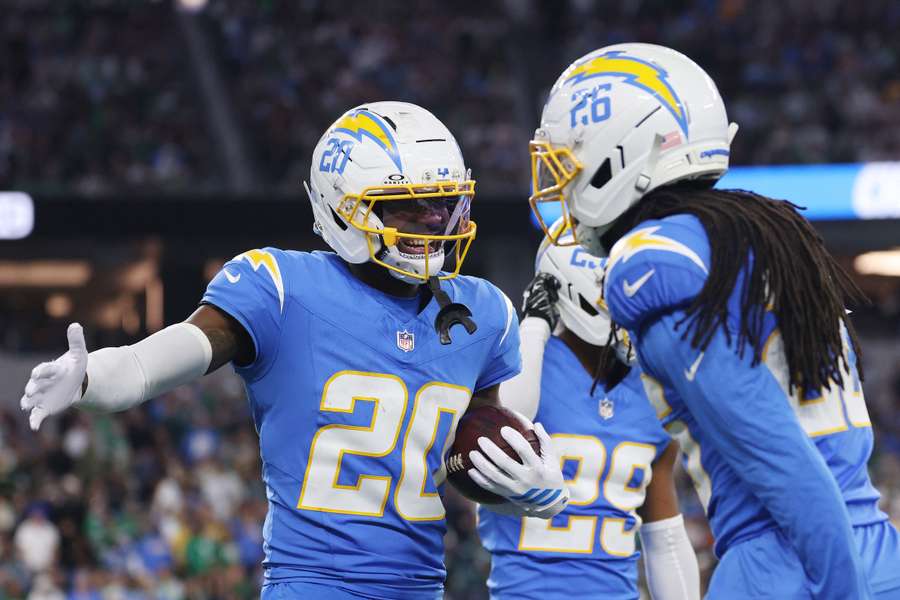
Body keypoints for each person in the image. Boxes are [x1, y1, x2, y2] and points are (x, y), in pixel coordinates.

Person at [20, 101, 568, 600]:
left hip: (422, 588)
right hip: (312, 586)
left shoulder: (483, 311)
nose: (432, 223)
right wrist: (91, 376)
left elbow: (485, 448)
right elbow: (154, 361)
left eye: (444, 206)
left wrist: (529, 488)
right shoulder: (282, 288)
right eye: (409, 208)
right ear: (341, 207)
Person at [528, 43, 900, 598]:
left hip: (792, 560)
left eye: (569, 162)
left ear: (622, 151)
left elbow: (776, 451)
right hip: (874, 545)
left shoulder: (649, 258)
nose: (562, 181)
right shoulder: (761, 229)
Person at [478, 224, 699, 600]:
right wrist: (533, 328)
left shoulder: (653, 385)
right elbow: (502, 427)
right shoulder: (522, 366)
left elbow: (665, 537)